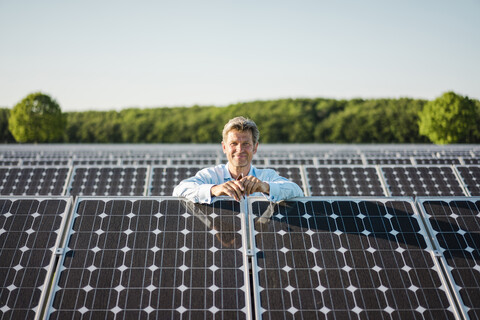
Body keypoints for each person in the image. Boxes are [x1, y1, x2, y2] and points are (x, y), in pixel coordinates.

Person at [173, 116, 304, 203]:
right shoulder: (210, 175)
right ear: (224, 147)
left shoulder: (266, 176)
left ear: (255, 147)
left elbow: (297, 191)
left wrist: (265, 187)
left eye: (246, 144)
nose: (240, 149)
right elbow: (179, 190)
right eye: (233, 143)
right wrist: (214, 189)